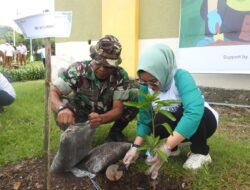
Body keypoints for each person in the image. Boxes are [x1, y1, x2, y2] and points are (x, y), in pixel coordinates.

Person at [122, 44, 219, 179]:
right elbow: (145, 121)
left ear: (163, 71)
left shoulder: (180, 77)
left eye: (153, 81)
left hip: (205, 122)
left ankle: (201, 152)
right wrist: (135, 147)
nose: (150, 86)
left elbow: (193, 113)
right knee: (158, 118)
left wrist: (166, 146)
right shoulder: (145, 89)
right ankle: (174, 149)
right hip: (179, 127)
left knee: (183, 110)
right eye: (144, 82)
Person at [51, 34, 138, 142]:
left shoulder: (119, 75)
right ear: (93, 57)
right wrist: (61, 108)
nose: (102, 69)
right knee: (62, 101)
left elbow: (117, 109)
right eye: (98, 62)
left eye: (107, 66)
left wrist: (101, 118)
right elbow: (53, 92)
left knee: (136, 96)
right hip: (79, 112)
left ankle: (115, 132)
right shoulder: (78, 69)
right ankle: (72, 136)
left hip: (105, 112)